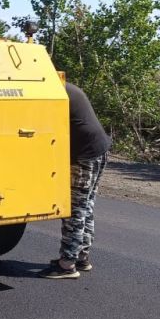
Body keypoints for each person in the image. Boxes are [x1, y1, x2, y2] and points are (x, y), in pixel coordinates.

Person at [40, 82, 112, 280]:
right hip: (99, 150)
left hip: (85, 156)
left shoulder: (52, 90)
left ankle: (67, 265)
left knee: (74, 210)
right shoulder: (66, 87)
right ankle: (82, 257)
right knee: (86, 206)